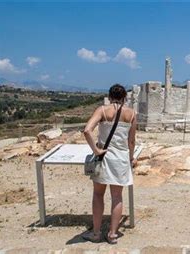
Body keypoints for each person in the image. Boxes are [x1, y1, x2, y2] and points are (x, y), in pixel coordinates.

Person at [82, 84, 137, 244]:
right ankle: (112, 234)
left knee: (98, 195)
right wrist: (131, 158)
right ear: (125, 97)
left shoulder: (102, 110)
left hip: (103, 157)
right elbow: (131, 140)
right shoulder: (132, 113)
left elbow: (87, 130)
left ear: (110, 96)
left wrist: (96, 150)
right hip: (120, 158)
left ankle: (96, 233)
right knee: (117, 197)